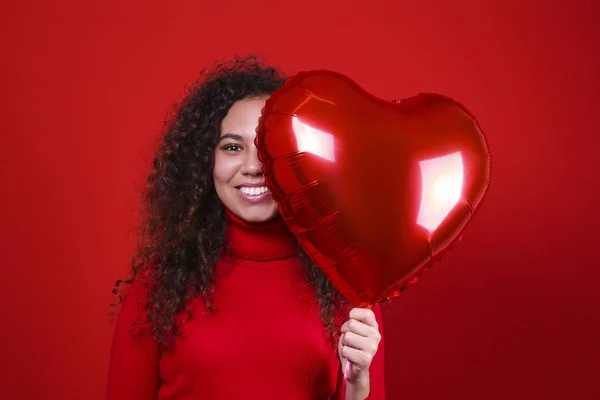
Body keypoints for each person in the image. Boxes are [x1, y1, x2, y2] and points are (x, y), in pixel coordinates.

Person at [106, 56, 385, 400]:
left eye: (268, 147)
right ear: (205, 161)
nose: (253, 167)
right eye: (232, 147)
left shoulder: (346, 284)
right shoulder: (159, 284)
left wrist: (358, 383)